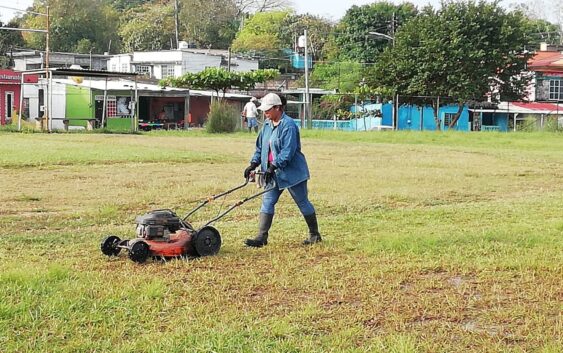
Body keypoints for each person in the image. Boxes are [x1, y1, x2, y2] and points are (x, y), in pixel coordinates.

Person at [243, 93, 321, 247]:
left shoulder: (289, 125)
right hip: (272, 173)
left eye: (268, 109)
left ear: (278, 108)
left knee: (302, 202)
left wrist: (273, 166)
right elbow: (261, 148)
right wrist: (253, 164)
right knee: (267, 201)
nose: (265, 113)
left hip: (292, 173)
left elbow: (288, 151)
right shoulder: (266, 125)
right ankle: (261, 237)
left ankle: (314, 234)